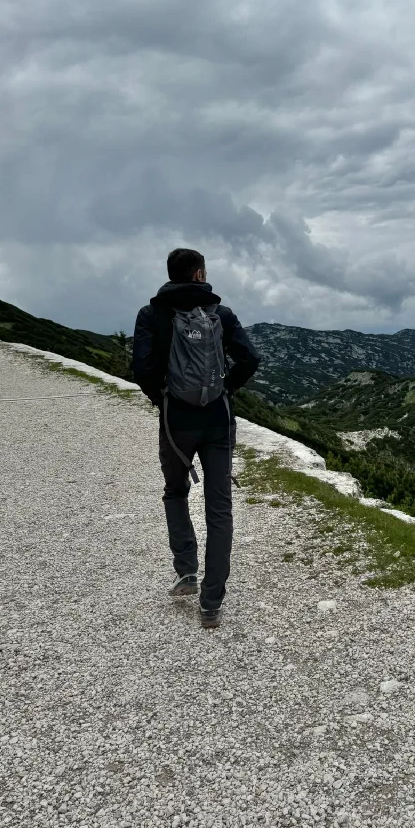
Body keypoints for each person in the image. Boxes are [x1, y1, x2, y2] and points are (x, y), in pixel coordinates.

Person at [132, 248, 260, 629]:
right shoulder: (221, 314)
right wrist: (224, 391)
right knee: (219, 509)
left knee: (175, 492)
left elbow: (142, 369)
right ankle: (211, 602)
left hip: (177, 424)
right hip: (218, 421)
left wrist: (166, 400)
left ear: (172, 275)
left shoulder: (151, 314)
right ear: (200, 275)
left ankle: (186, 571)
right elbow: (250, 359)